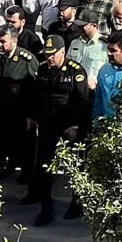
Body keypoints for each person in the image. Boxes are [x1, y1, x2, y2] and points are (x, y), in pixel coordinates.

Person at [28, 34, 90, 225]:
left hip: (69, 126)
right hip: (48, 126)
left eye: (53, 54)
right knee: (44, 166)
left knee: (75, 166)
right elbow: (38, 96)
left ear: (62, 52)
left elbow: (83, 101)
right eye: (47, 54)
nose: (49, 58)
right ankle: (46, 207)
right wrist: (34, 117)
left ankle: (76, 203)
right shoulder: (43, 69)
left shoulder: (75, 71)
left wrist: (76, 127)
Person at [0, 25, 40, 177]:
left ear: (14, 41)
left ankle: (26, 174)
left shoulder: (26, 60)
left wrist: (32, 115)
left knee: (23, 146)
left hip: (19, 114)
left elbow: (35, 92)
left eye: (3, 41)